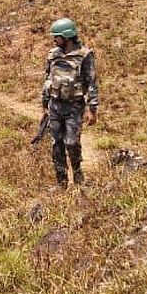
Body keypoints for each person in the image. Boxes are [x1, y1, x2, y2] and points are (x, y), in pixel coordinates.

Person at [40, 18, 99, 189]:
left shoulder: (84, 55)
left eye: (57, 37)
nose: (54, 40)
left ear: (67, 37)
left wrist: (92, 109)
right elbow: (47, 80)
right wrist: (44, 105)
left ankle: (79, 178)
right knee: (56, 144)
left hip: (74, 106)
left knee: (71, 142)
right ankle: (62, 183)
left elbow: (92, 82)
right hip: (55, 105)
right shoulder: (53, 55)